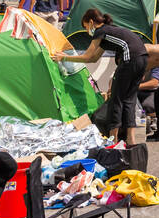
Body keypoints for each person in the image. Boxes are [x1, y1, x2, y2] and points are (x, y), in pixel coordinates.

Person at [53, 9, 148, 140]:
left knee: (116, 99)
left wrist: (64, 58)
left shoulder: (100, 31)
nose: (87, 31)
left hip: (130, 58)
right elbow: (94, 59)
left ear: (91, 22)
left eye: (86, 27)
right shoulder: (108, 33)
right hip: (142, 58)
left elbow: (87, 56)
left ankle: (113, 139)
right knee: (129, 99)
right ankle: (132, 140)